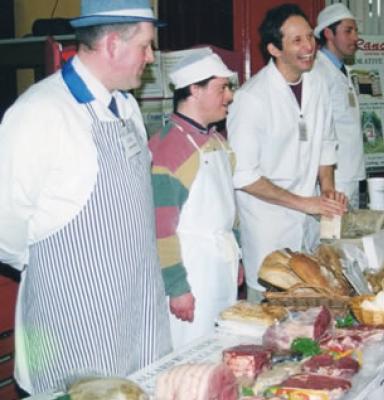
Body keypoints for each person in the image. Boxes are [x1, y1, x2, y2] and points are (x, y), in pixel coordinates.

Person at [0, 0, 171, 394]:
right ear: (112, 44)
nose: (150, 57)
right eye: (145, 46)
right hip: (73, 320)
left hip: (138, 309)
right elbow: (6, 223)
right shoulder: (41, 112)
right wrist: (57, 267)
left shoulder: (126, 108)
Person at [227, 4, 347, 301]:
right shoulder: (251, 99)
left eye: (310, 37)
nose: (309, 47)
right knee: (271, 315)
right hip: (270, 225)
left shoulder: (317, 84)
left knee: (309, 304)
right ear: (274, 49)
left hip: (308, 218)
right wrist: (304, 203)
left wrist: (328, 191)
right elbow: (244, 176)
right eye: (297, 41)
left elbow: (325, 142)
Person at [149, 49, 241, 350]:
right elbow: (160, 228)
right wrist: (177, 287)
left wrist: (236, 256)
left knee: (221, 349)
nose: (229, 96)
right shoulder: (167, 148)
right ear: (194, 90)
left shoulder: (217, 141)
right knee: (191, 358)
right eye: (221, 88)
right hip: (191, 272)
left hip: (221, 265)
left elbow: (231, 210)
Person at [312, 3, 365, 208]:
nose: (355, 37)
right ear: (328, 33)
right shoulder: (319, 73)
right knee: (336, 237)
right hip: (333, 178)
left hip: (350, 173)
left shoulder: (342, 70)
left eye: (356, 31)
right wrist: (328, 183)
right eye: (348, 31)